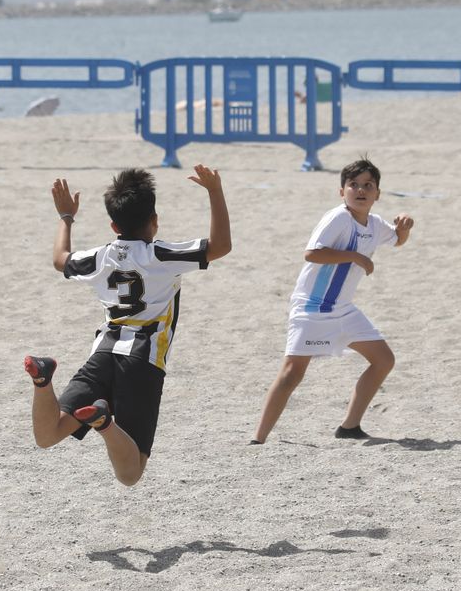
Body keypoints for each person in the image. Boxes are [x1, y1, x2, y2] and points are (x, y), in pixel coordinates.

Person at [24, 165, 231, 486]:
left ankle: (42, 379)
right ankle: (104, 423)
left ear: (113, 224)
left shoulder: (100, 257)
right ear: (155, 220)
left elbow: (59, 258)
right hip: (142, 362)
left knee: (48, 435)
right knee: (131, 473)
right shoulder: (159, 255)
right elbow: (220, 246)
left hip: (103, 354)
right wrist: (215, 192)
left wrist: (66, 216)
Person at [250, 158, 414, 445]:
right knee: (292, 374)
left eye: (368, 185)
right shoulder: (338, 218)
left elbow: (397, 240)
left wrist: (404, 227)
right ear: (342, 192)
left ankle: (350, 427)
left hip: (343, 310)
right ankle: (258, 439)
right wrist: (355, 256)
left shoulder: (374, 224)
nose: (360, 190)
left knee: (383, 360)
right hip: (312, 307)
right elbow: (312, 253)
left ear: (378, 194)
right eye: (353, 185)